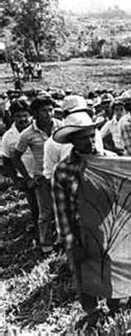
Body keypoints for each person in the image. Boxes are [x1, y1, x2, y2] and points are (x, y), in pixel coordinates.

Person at [51, 110, 123, 323]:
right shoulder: (63, 169)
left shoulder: (112, 160)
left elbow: (124, 195)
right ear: (72, 141)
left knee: (113, 269)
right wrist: (71, 241)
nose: (90, 142)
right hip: (81, 228)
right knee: (84, 271)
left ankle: (115, 307)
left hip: (110, 225)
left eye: (92, 135)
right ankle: (92, 312)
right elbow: (61, 209)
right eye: (83, 138)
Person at [13, 95, 62, 253]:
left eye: (50, 110)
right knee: (45, 213)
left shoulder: (61, 127)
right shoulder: (28, 134)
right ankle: (45, 244)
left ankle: (63, 240)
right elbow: (15, 157)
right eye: (44, 111)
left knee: (64, 208)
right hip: (42, 177)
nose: (49, 114)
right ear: (35, 113)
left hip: (62, 175)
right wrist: (27, 179)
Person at [1, 99, 38, 238]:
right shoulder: (8, 137)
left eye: (25, 115)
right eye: (18, 116)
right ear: (12, 117)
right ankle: (39, 232)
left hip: (44, 174)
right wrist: (16, 180)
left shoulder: (39, 129)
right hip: (26, 177)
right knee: (34, 206)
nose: (23, 119)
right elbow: (6, 160)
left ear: (31, 115)